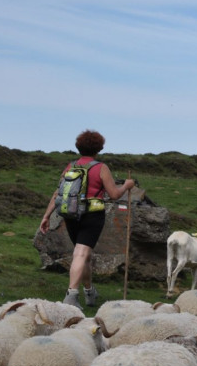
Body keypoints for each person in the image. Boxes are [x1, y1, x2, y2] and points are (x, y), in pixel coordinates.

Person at [39, 129, 135, 310]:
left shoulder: (71, 166)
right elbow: (114, 194)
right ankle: (71, 296)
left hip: (71, 215)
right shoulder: (100, 168)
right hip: (92, 215)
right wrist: (127, 185)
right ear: (99, 148)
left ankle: (90, 292)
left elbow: (58, 193)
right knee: (81, 254)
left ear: (79, 146)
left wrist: (46, 216)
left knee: (85, 256)